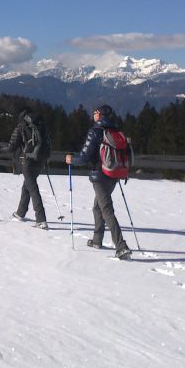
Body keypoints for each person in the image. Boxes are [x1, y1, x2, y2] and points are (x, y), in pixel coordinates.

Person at [65, 104, 131, 258]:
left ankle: (121, 246)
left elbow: (85, 156)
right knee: (97, 207)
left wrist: (71, 160)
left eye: (95, 112)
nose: (93, 114)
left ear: (100, 115)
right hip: (114, 175)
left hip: (100, 176)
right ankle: (97, 240)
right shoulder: (115, 131)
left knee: (106, 210)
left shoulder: (95, 132)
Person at [2, 108, 50, 229]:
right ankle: (20, 213)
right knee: (27, 186)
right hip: (40, 160)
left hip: (28, 161)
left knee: (32, 188)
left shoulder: (21, 126)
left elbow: (12, 147)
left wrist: (0, 150)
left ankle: (41, 219)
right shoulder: (40, 125)